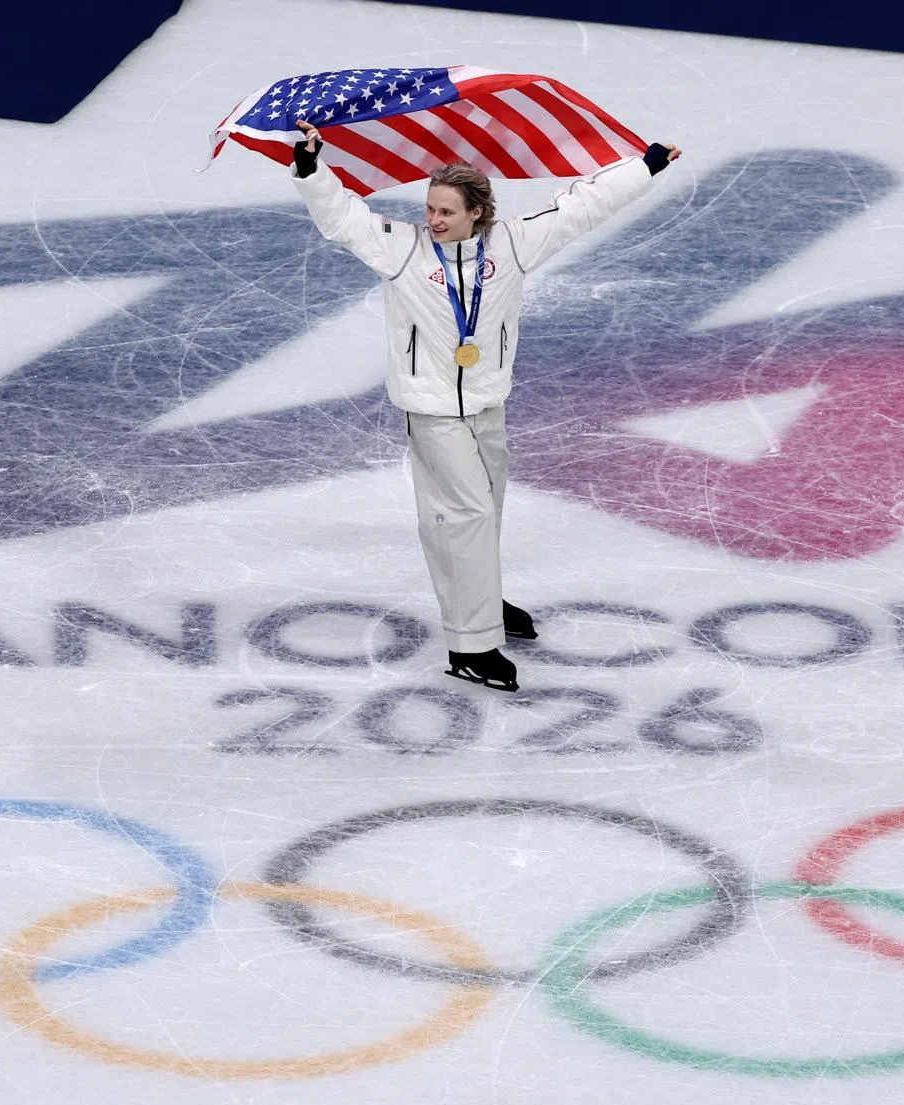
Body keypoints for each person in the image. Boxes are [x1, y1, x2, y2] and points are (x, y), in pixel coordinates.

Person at [290, 120, 681, 692]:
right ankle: (471, 646)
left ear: (478, 211)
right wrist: (310, 168)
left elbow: (579, 208)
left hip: (488, 403)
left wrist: (644, 165)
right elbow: (343, 219)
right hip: (433, 412)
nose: (434, 220)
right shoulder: (403, 251)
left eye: (447, 211)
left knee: (482, 512)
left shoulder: (512, 244)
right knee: (467, 515)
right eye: (430, 208)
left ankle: (481, 601)